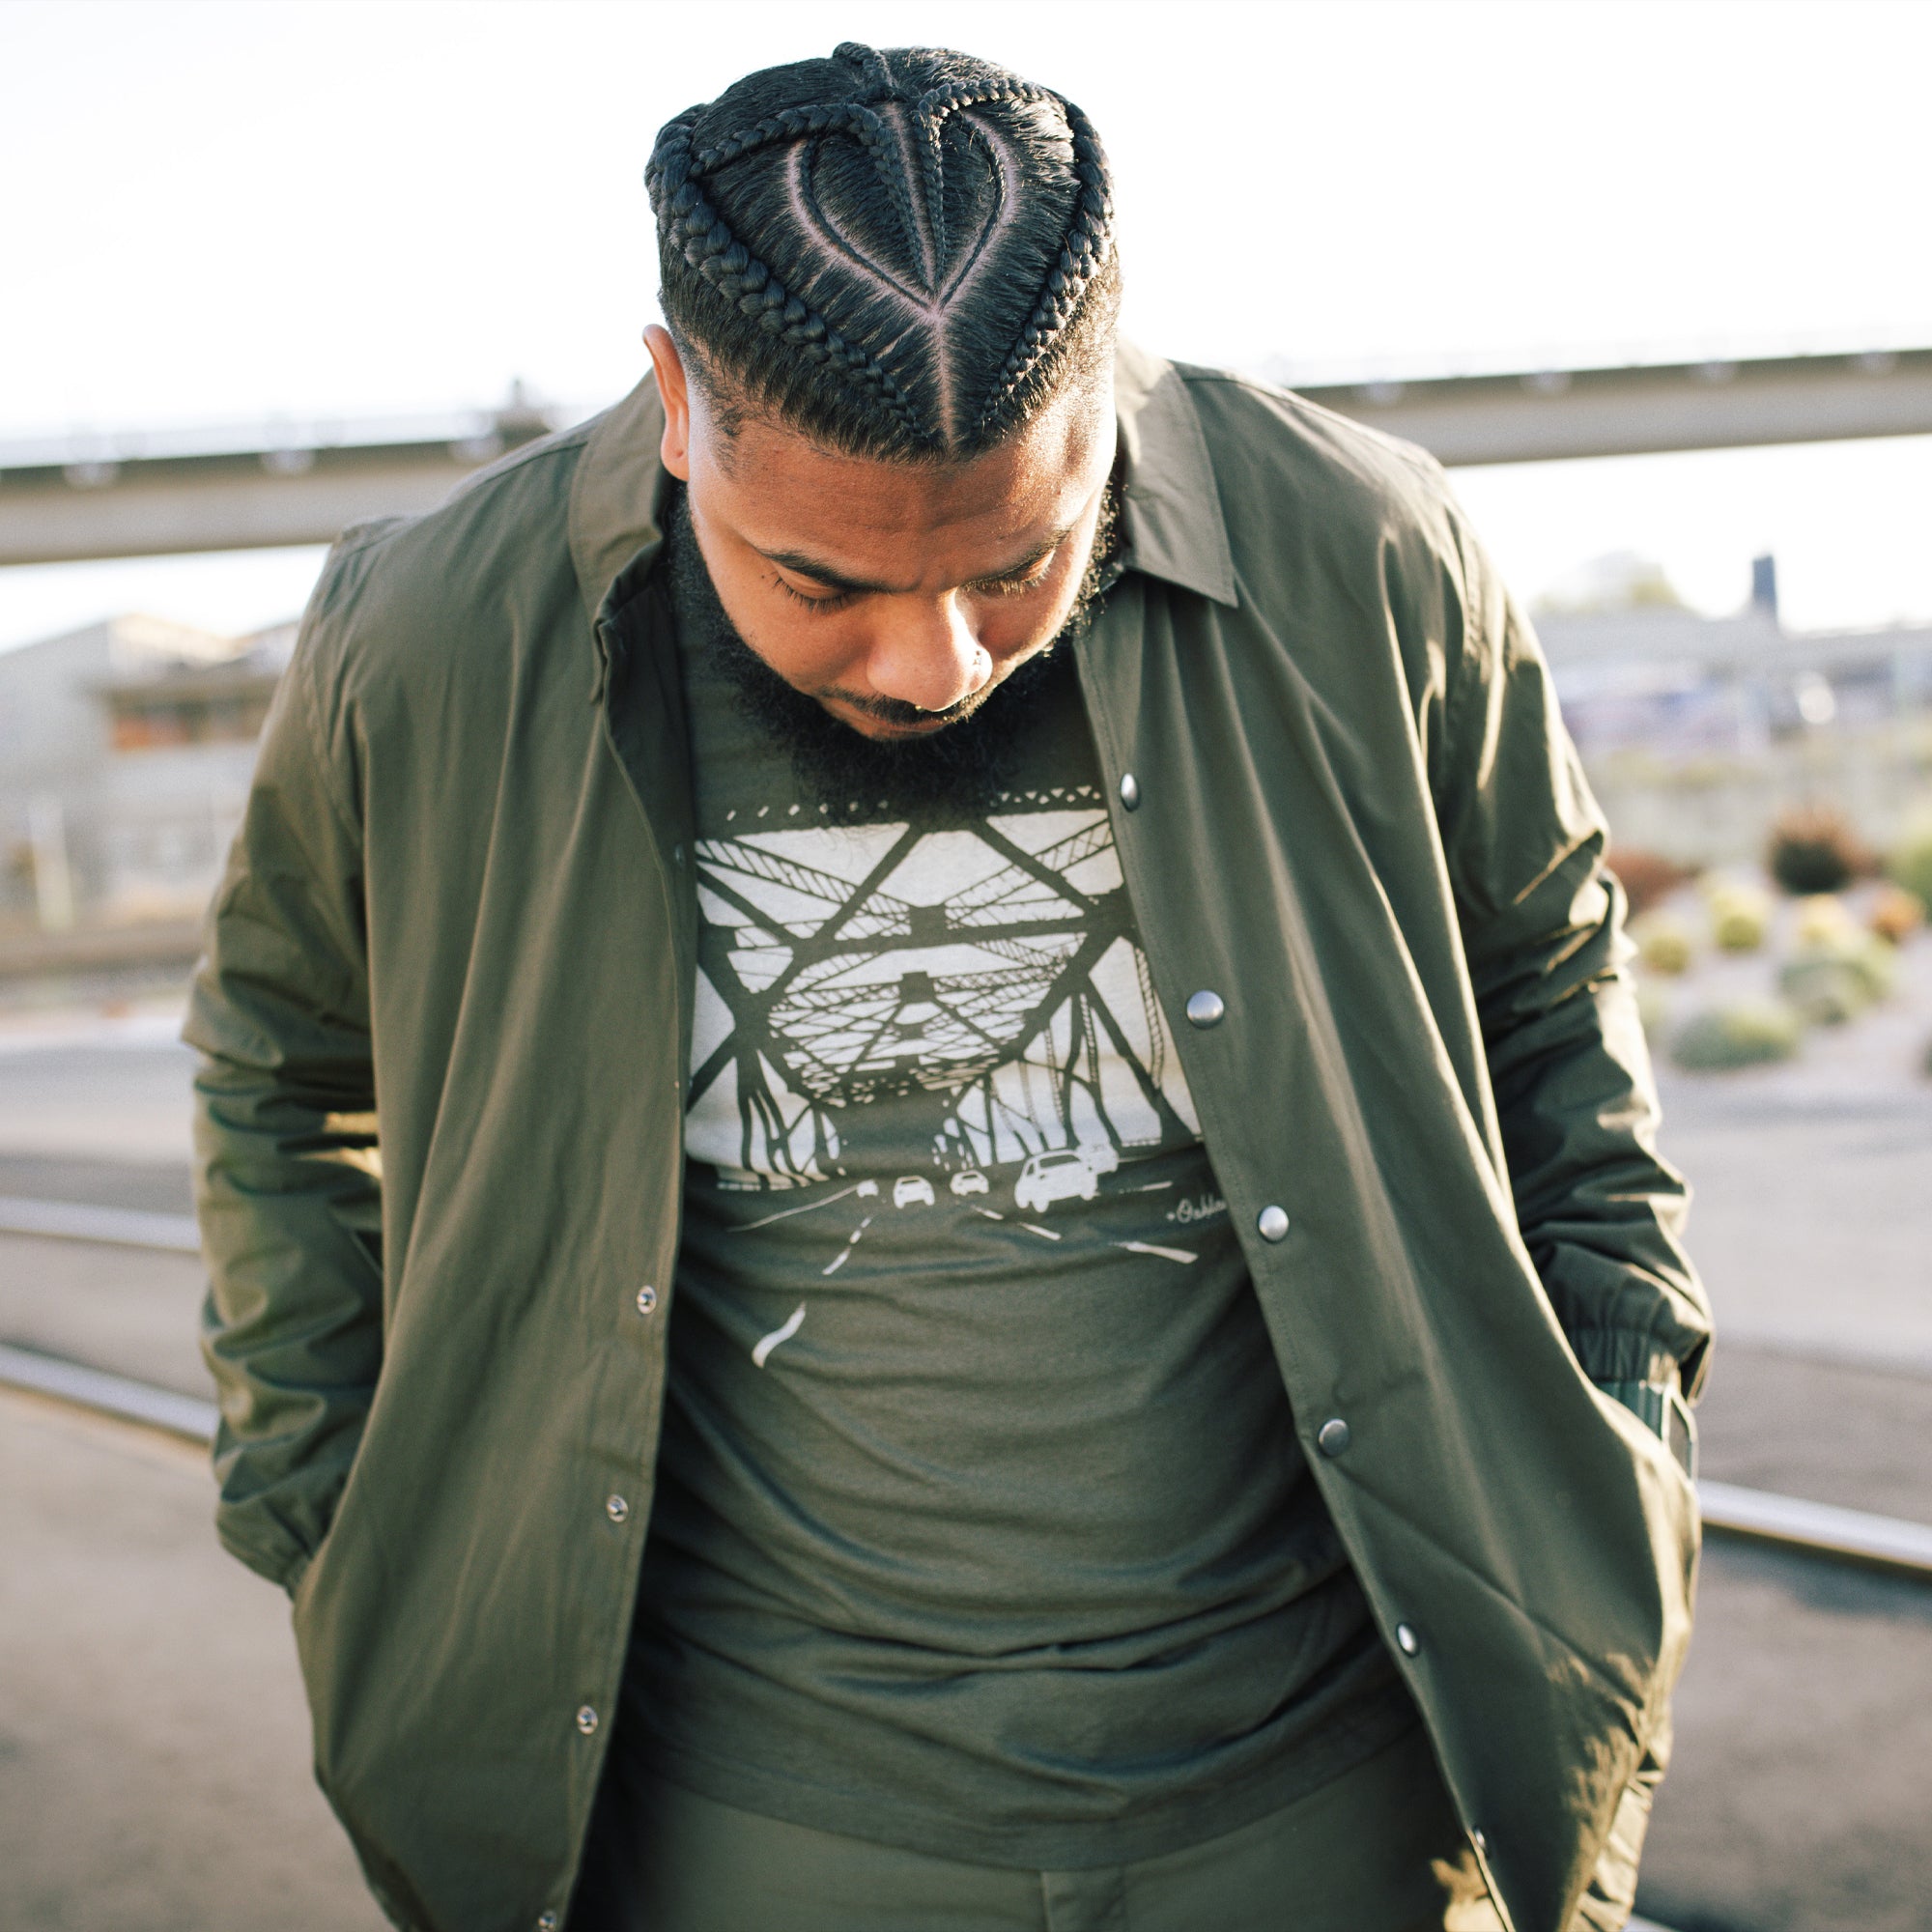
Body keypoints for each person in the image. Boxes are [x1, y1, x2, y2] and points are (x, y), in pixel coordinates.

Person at [190, 42, 1710, 1932]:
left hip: (1339, 1808)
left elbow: (1555, 993)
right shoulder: (432, 632)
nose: (935, 663)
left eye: (1018, 564)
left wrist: (1626, 1402)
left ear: (1105, 391)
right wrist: (330, 1505)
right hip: (723, 1831)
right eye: (822, 580)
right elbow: (275, 1066)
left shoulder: (1368, 553)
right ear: (677, 402)